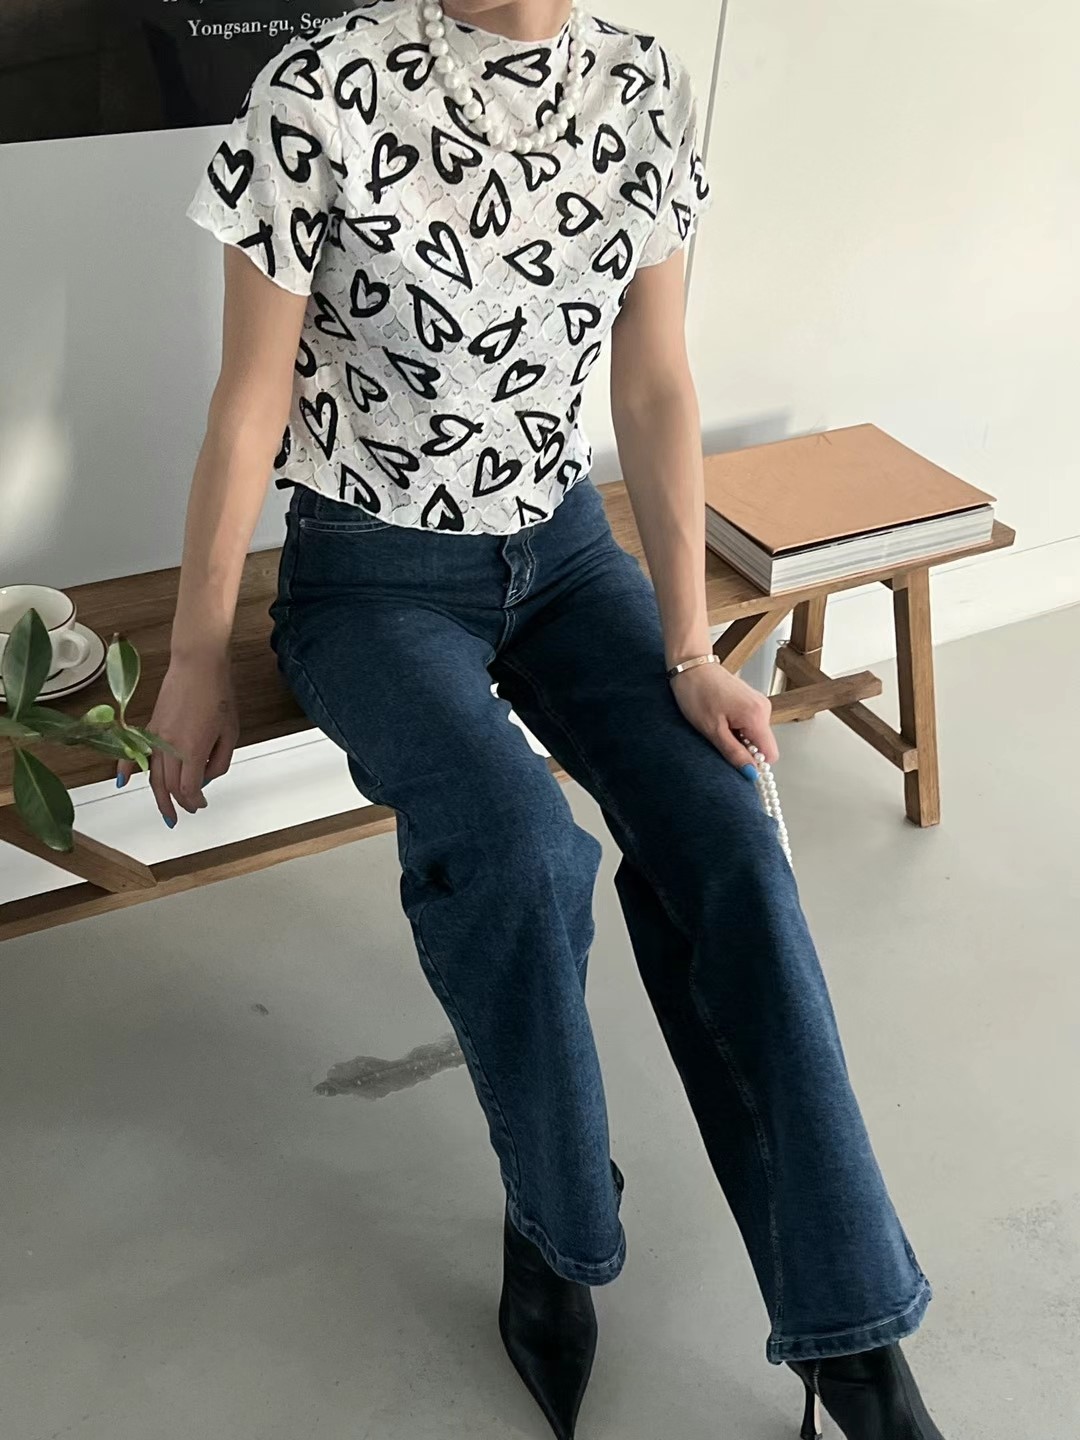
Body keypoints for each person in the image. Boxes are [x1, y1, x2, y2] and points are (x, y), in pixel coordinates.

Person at [121, 2, 947, 1436]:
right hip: (371, 576)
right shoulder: (321, 88)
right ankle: (558, 1222)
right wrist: (198, 650)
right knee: (517, 844)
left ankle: (852, 1334)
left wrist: (687, 646)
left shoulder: (638, 79)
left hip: (564, 555)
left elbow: (656, 376)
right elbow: (250, 403)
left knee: (727, 834)